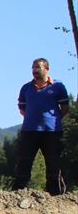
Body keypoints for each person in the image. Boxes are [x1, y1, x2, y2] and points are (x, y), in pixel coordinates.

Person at [14, 57, 70, 195]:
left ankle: (55, 193)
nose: (35, 71)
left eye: (38, 67)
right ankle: (18, 191)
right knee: (24, 161)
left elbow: (65, 108)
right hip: (29, 131)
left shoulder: (57, 86)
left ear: (47, 69)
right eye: (33, 68)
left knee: (53, 162)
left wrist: (52, 119)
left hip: (51, 131)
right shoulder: (26, 88)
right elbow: (22, 109)